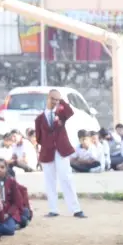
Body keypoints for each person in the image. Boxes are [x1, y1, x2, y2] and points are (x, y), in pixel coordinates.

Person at [34, 89, 85, 218]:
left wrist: (61, 100)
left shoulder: (61, 113)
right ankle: (53, 209)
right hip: (47, 152)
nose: (54, 102)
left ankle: (75, 209)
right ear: (48, 98)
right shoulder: (39, 118)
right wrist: (48, 143)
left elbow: (70, 112)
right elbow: (38, 138)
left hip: (61, 150)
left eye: (57, 100)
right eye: (53, 99)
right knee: (49, 181)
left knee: (66, 178)